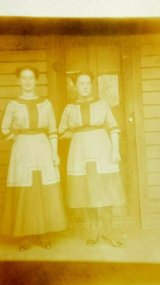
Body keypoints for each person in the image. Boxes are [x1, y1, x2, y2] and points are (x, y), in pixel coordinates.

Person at [0, 66, 66, 250]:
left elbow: (52, 129)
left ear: (36, 81)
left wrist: (53, 154)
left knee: (42, 188)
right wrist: (17, 138)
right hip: (22, 149)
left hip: (43, 148)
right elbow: (4, 129)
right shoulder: (13, 104)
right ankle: (26, 236)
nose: (27, 81)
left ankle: (43, 234)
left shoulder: (46, 103)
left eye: (31, 78)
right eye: (24, 78)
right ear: (18, 81)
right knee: (25, 190)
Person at [59, 72, 126, 247]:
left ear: (91, 85)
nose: (85, 86)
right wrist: (78, 134)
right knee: (89, 192)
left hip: (102, 149)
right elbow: (62, 132)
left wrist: (115, 150)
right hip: (80, 153)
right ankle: (94, 232)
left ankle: (109, 232)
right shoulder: (70, 108)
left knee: (105, 191)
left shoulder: (102, 104)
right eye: (81, 83)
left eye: (88, 83)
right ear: (75, 86)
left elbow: (113, 127)